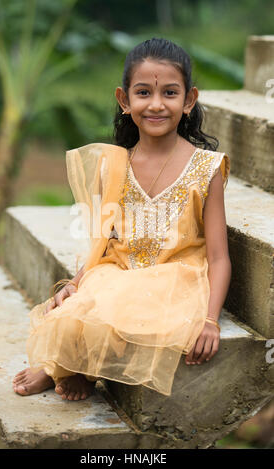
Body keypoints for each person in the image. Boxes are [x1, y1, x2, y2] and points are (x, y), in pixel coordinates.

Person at [13, 38, 231, 401]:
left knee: (121, 313)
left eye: (170, 93)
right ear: (124, 100)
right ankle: (60, 368)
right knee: (74, 309)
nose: (157, 104)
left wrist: (210, 320)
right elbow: (104, 240)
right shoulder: (113, 164)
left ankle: (71, 369)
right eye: (143, 92)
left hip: (175, 277)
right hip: (118, 268)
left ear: (189, 100)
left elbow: (220, 256)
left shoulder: (207, 169)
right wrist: (78, 282)